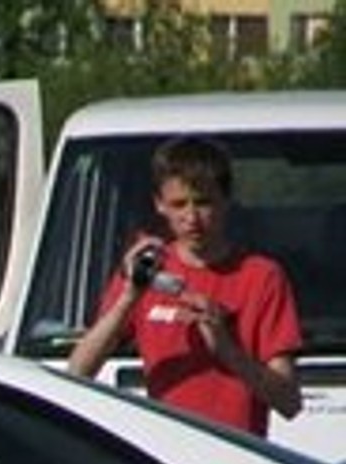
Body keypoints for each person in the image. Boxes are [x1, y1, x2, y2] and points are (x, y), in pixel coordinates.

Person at [66, 136, 302, 437]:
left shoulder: (262, 276)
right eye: (179, 204)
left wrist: (226, 350)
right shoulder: (148, 270)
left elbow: (290, 402)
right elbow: (78, 371)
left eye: (203, 203)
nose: (191, 218)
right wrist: (129, 294)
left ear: (226, 200)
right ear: (159, 205)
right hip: (168, 459)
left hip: (239, 457)